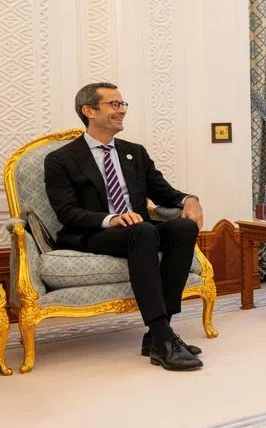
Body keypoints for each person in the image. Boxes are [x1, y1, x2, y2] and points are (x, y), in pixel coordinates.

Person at [44, 83, 206, 371]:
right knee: (143, 230)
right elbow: (67, 212)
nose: (122, 110)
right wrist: (111, 218)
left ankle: (157, 337)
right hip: (93, 233)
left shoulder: (135, 152)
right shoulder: (61, 159)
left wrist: (189, 199)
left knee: (183, 229)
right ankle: (163, 338)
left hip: (136, 230)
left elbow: (165, 193)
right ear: (89, 111)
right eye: (114, 104)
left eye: (123, 104)